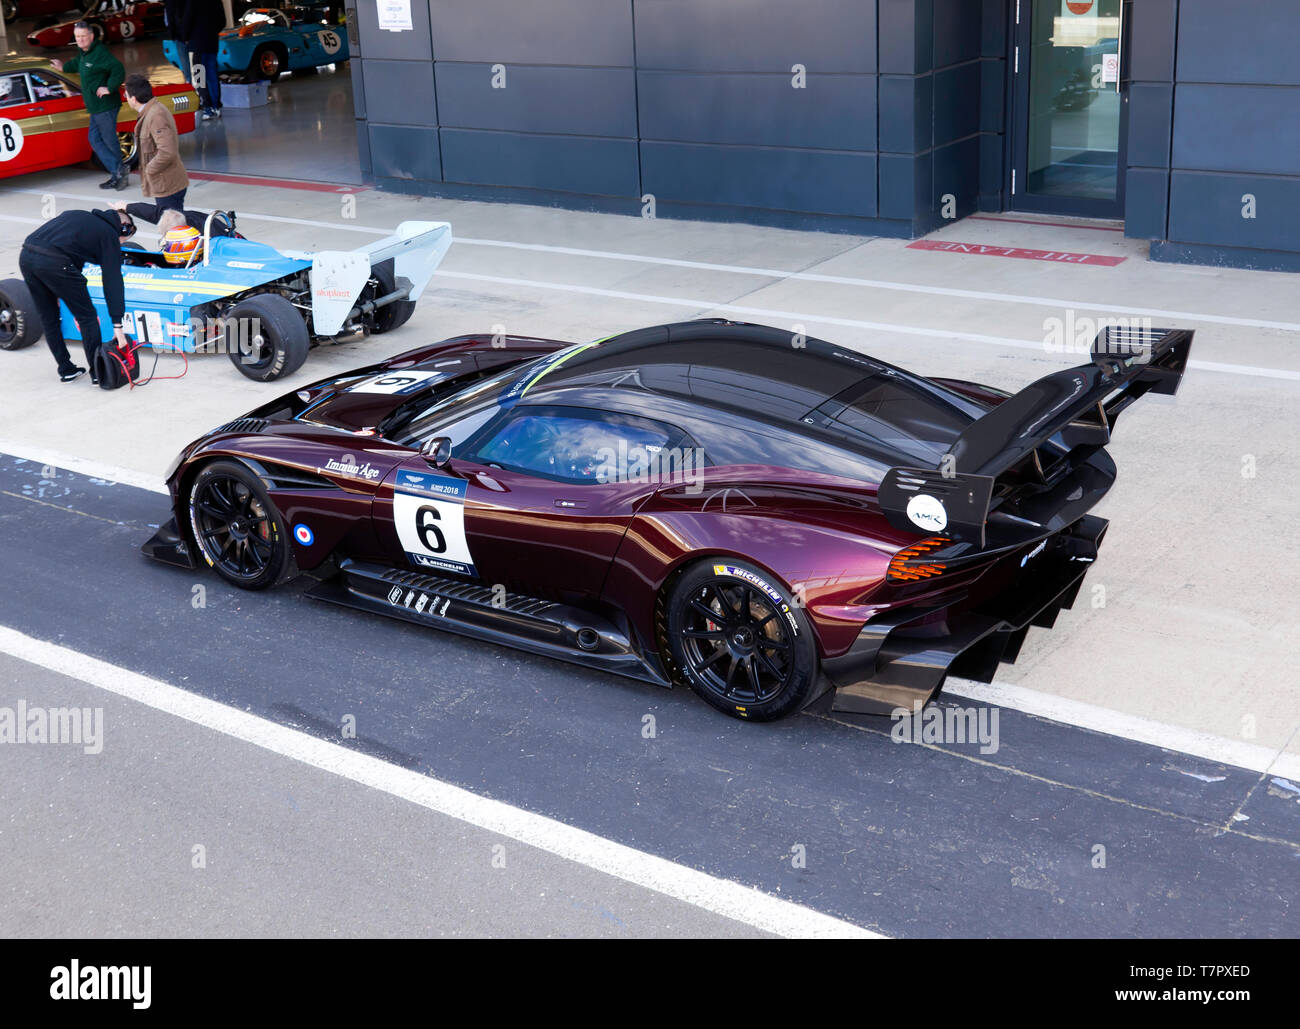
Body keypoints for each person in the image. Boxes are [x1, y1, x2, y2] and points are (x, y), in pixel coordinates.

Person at [18, 208, 135, 382]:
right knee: (87, 317)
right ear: (123, 227)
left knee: (48, 316)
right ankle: (98, 372)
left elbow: (72, 253)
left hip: (27, 256)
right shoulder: (109, 233)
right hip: (55, 263)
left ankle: (66, 369)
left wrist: (57, 290)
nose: (120, 244)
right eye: (123, 239)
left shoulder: (77, 216)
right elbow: (113, 281)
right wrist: (117, 324)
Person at [51, 22, 127, 190]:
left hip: (105, 106)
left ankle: (119, 173)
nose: (81, 40)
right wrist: (63, 67)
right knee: (94, 139)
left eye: (84, 36)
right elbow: (78, 63)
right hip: (95, 107)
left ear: (92, 36)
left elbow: (118, 69)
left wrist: (109, 87)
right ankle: (117, 171)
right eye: (78, 37)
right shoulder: (84, 53)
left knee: (108, 141)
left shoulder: (100, 54)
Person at [123, 74, 189, 218]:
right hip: (165, 182)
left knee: (172, 228)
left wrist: (149, 169)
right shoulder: (151, 112)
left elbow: (167, 152)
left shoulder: (156, 116)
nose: (125, 98)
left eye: (126, 95)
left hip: (167, 184)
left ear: (133, 99)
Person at [184, 0, 225, 120]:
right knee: (212, 74)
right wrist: (212, 32)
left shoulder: (192, 2)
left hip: (197, 44)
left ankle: (207, 107)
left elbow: (187, 20)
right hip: (212, 42)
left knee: (199, 76)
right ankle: (216, 106)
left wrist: (186, 37)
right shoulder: (217, 2)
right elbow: (222, 21)